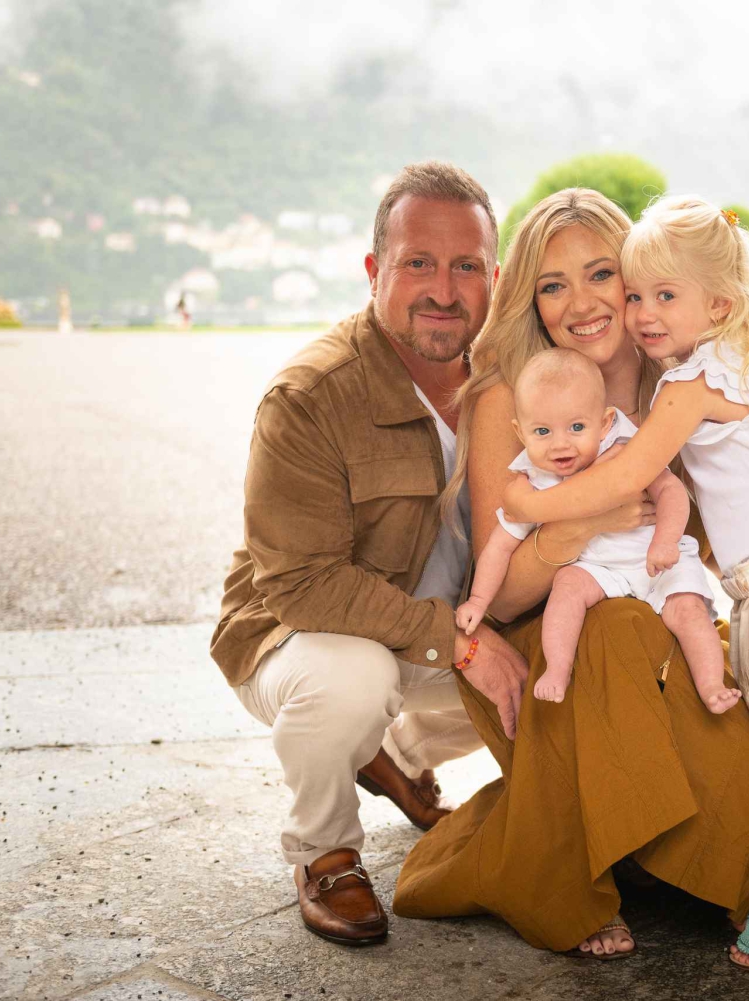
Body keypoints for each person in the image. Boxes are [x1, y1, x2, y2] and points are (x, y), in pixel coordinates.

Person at [392, 188, 749, 959]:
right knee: (610, 629)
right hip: (544, 634)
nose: (581, 303)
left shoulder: (678, 377)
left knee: (714, 710)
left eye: (601, 274)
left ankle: (674, 854)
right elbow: (498, 589)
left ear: (633, 278)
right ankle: (565, 880)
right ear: (530, 299)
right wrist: (580, 525)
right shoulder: (515, 389)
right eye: (552, 284)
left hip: (662, 609)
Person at [501, 196, 749, 971]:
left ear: (719, 304)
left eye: (665, 295)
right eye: (637, 293)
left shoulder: (688, 388)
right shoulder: (723, 365)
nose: (640, 312)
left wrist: (526, 500)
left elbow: (629, 476)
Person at [209, 161, 529, 946]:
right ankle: (325, 853)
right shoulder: (311, 396)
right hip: (297, 636)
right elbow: (304, 586)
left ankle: (394, 754)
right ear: (374, 270)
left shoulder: (516, 383)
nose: (443, 290)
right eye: (417, 262)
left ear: (493, 277)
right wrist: (460, 642)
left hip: (432, 632)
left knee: (567, 661)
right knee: (350, 676)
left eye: (464, 267)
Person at [457, 347, 739, 712]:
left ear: (605, 423)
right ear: (520, 432)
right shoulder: (534, 480)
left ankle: (711, 685)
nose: (561, 443)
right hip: (600, 570)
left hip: (655, 557)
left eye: (577, 427)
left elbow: (671, 491)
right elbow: (498, 547)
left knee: (687, 611)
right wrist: (478, 601)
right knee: (567, 586)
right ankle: (558, 670)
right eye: (542, 431)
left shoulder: (625, 450)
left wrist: (666, 541)